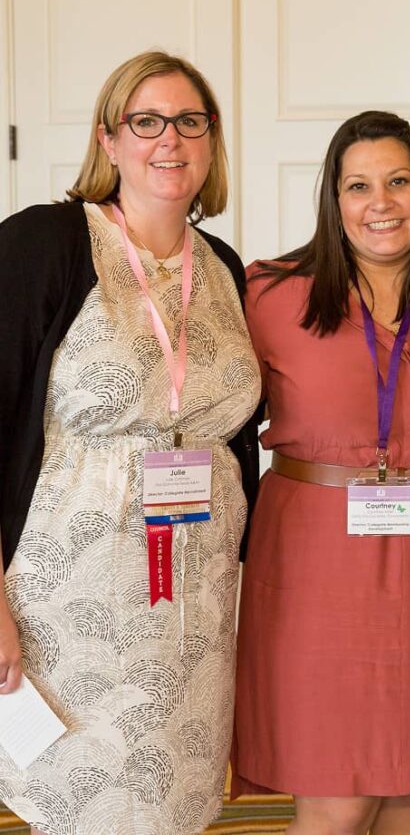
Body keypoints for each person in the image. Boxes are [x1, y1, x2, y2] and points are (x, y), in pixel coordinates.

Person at [0, 51, 260, 835]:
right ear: (109, 141)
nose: (168, 140)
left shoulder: (223, 269)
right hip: (73, 591)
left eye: (190, 121)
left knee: (169, 792)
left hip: (197, 589)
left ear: (211, 142)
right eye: (145, 122)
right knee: (89, 799)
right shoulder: (44, 243)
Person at [231, 110, 410, 834]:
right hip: (319, 565)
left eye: (397, 181)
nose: (379, 202)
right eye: (358, 186)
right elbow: (207, 413)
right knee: (338, 796)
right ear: (333, 199)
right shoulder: (269, 294)